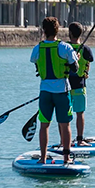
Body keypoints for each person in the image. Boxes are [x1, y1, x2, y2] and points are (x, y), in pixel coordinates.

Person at [30, 17, 79, 164]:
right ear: (58, 30)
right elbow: (75, 69)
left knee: (44, 125)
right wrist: (75, 58)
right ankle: (66, 158)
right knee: (65, 125)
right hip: (62, 92)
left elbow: (35, 61)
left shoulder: (37, 48)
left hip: (45, 92)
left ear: (43, 31)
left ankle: (43, 158)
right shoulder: (65, 47)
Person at [67, 22, 94, 146]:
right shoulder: (86, 49)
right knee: (80, 113)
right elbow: (88, 63)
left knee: (64, 114)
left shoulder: (64, 47)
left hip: (65, 86)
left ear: (70, 33)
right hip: (79, 85)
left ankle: (65, 141)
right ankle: (79, 139)